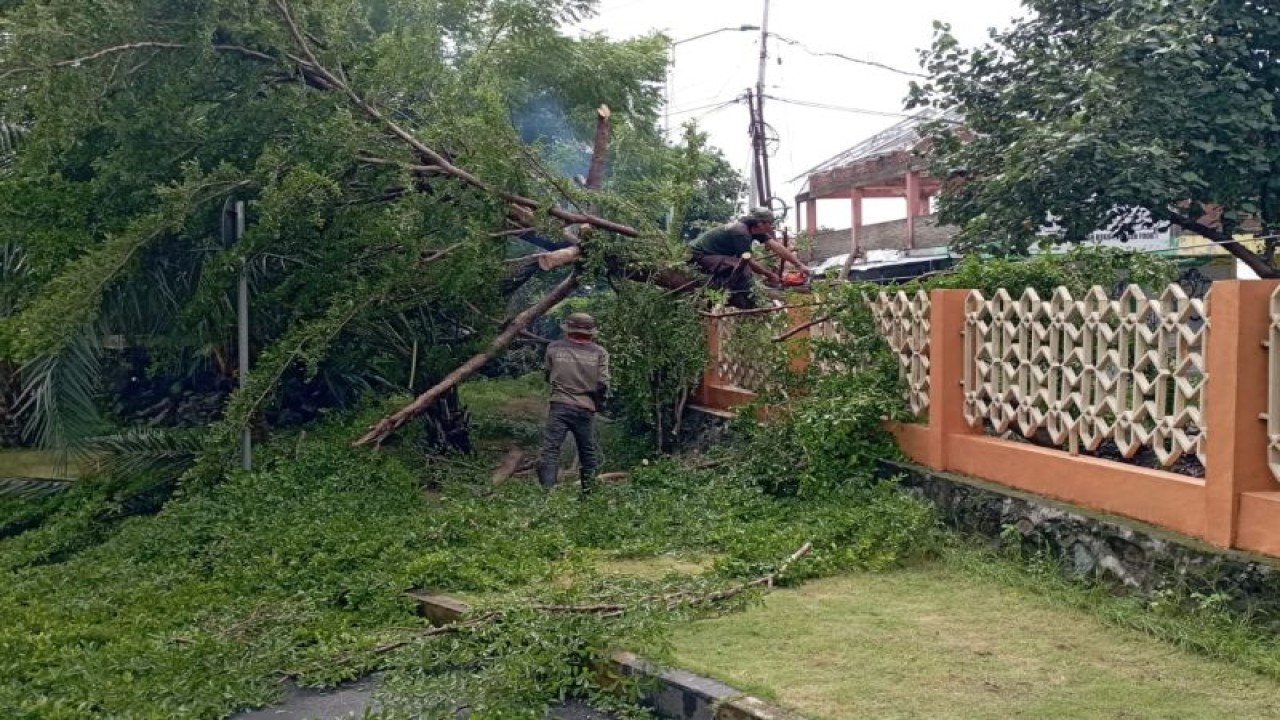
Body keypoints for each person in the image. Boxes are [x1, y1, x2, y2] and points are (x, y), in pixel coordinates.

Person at [537, 312, 610, 495]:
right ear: (591, 332)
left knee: (550, 450)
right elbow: (602, 384)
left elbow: (547, 374)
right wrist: (599, 404)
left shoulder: (554, 348)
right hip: (586, 407)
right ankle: (589, 494)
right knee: (587, 452)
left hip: (559, 405)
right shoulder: (599, 352)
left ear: (568, 329)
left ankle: (547, 493)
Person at [687, 207, 810, 309]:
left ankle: (742, 292)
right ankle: (753, 300)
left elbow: (777, 247)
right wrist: (769, 275)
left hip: (715, 254)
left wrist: (799, 265)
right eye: (770, 223)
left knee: (738, 265)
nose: (772, 226)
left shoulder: (756, 230)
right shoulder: (741, 232)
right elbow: (748, 261)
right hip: (699, 254)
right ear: (760, 223)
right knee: (741, 267)